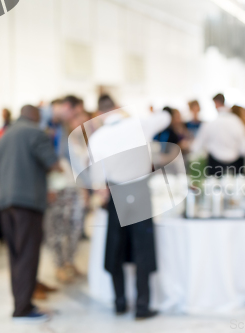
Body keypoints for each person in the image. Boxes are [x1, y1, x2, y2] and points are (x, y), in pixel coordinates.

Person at [87, 97, 171, 320]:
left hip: (117, 194)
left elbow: (97, 179)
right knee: (143, 248)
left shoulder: (97, 137)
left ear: (99, 112)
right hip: (141, 192)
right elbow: (165, 117)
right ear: (117, 107)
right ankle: (143, 305)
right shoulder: (138, 124)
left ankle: (119, 302)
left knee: (115, 247)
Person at [0, 105, 60, 323]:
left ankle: (22, 302)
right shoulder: (35, 133)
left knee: (16, 255)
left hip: (5, 203)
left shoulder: (4, 136)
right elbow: (53, 163)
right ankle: (22, 308)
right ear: (35, 116)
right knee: (28, 254)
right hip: (28, 203)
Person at [45, 111, 87, 284]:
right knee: (57, 229)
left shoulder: (80, 140)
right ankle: (59, 265)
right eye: (77, 117)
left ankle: (69, 262)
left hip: (75, 188)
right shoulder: (56, 137)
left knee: (75, 227)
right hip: (60, 187)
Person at [192, 93, 245, 176]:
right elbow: (244, 149)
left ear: (216, 103)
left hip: (214, 165)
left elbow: (196, 146)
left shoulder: (210, 123)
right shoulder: (236, 122)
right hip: (234, 165)